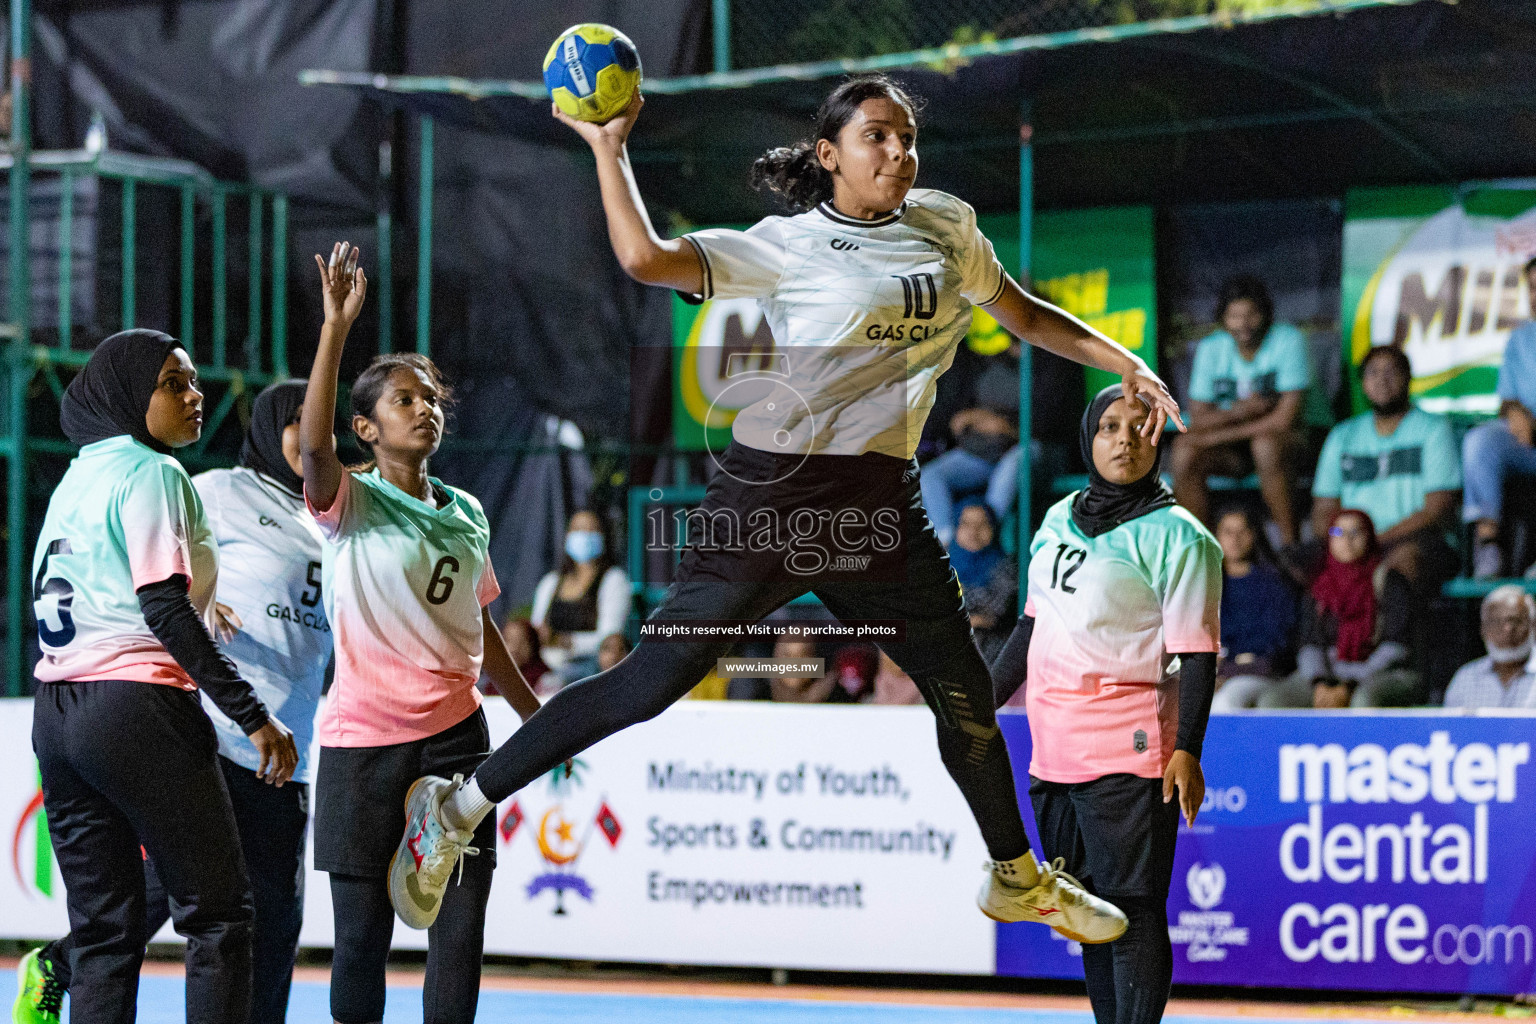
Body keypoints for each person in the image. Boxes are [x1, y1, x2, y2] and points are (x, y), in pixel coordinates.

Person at [391, 74, 1185, 942]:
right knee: (653, 684)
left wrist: (1125, 361)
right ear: (829, 154)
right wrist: (608, 149)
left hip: (880, 501)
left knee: (962, 689)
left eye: (907, 137)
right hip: (773, 495)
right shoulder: (785, 246)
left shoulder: (948, 226)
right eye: (877, 137)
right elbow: (646, 261)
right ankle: (456, 809)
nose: (898, 152)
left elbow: (1024, 314)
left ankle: (1016, 877)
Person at [18, 380, 330, 1024]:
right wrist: (200, 600)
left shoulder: (331, 517)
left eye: (321, 420)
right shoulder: (218, 490)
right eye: (298, 420)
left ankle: (64, 963)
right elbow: (147, 572)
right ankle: (60, 965)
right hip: (212, 731)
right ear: (271, 427)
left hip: (288, 747)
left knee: (270, 932)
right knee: (193, 906)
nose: (312, 434)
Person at [299, 242, 544, 1024]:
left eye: (431, 397)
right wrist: (336, 326)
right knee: (362, 939)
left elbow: (480, 626)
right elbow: (311, 448)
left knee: (459, 933)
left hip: (455, 741)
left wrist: (537, 717)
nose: (426, 407)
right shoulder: (350, 502)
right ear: (366, 428)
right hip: (363, 742)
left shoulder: (467, 510)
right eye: (406, 399)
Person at [991, 386, 1222, 1024]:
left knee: (1135, 905)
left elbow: (1198, 654)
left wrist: (1188, 751)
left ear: (1158, 442)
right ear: (1090, 439)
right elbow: (1029, 626)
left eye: (1139, 429)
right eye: (1110, 427)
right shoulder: (1059, 515)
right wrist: (976, 709)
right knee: (1089, 907)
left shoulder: (1183, 538)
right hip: (1054, 747)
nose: (1124, 440)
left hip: (1132, 746)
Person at [1173, 275, 1312, 545]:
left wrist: (1216, 436)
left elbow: (1283, 421)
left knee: (1265, 445)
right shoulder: (1211, 347)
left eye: (1252, 314)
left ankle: (1290, 548)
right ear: (1223, 318)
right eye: (1234, 316)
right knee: (1183, 450)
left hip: (1295, 443)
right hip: (1237, 448)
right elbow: (1199, 418)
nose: (1244, 324)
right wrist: (1241, 411)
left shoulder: (1288, 340)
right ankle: (1198, 550)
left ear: (1266, 314)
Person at [1311, 344, 1460, 590]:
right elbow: (1323, 510)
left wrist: (1372, 541)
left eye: (1391, 371)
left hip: (1415, 539)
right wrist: (1343, 542)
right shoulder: (1342, 435)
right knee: (1296, 563)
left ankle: (1392, 630)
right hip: (1351, 541)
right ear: (1362, 382)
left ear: (1408, 378)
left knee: (1398, 570)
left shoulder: (1433, 428)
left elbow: (1437, 509)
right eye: (1373, 373)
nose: (1382, 380)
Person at [1266, 509, 1418, 709]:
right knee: (1273, 701)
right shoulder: (1319, 584)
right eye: (1338, 533)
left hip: (1381, 672)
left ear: (1369, 537)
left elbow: (1396, 645)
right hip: (1327, 673)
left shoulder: (1389, 582)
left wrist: (1350, 684)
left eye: (1356, 532)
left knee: (1363, 701)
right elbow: (1309, 643)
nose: (1346, 539)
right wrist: (1319, 683)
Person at [1463, 256, 1536, 578]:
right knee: (1480, 442)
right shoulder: (1521, 340)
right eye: (1533, 288)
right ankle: (1489, 543)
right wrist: (1514, 410)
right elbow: (1506, 398)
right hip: (1529, 443)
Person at [1208, 506, 1298, 711]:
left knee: (1225, 702)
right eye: (1228, 532)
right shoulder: (1206, 585)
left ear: (1253, 535)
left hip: (1256, 673)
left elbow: (1274, 644)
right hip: (1213, 674)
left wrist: (1227, 670)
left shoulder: (1274, 584)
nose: (1235, 539)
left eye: (1242, 532)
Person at [530, 510, 631, 685]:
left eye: (591, 530)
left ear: (604, 537)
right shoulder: (551, 582)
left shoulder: (614, 580)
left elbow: (609, 639)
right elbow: (537, 629)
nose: (584, 535)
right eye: (578, 529)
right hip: (547, 673)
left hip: (592, 674)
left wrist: (567, 642)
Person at [1443, 585, 1536, 709]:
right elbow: (1452, 726)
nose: (1507, 629)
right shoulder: (1466, 678)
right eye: (1496, 622)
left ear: (1533, 625)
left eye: (1516, 621)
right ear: (1483, 630)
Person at [949, 501, 1018, 664]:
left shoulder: (1006, 567)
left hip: (992, 658)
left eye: (982, 524)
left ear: (993, 529)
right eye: (966, 524)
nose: (973, 532)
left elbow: (993, 614)